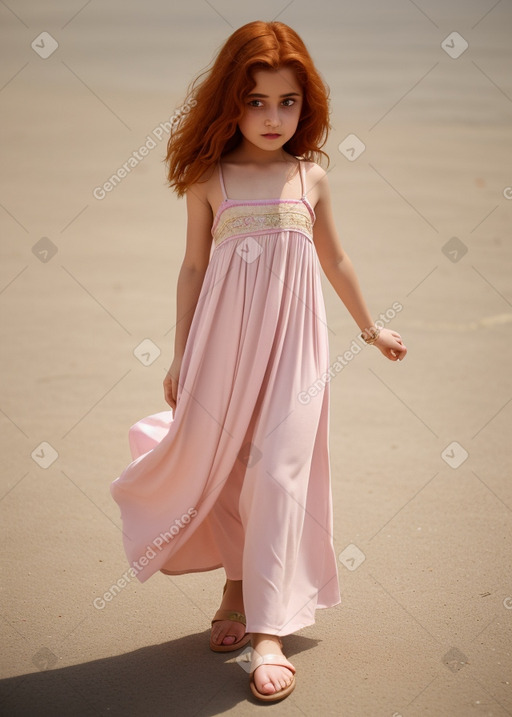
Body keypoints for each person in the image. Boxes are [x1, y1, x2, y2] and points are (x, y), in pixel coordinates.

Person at [111, 20, 407, 703]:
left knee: (279, 470)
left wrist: (371, 329)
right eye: (256, 101)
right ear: (229, 102)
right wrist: (182, 355)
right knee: (229, 465)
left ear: (308, 106)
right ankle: (237, 587)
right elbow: (192, 267)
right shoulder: (209, 177)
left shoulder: (312, 176)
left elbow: (335, 258)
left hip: (298, 349)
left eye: (288, 102)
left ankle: (269, 629)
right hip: (221, 346)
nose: (273, 117)